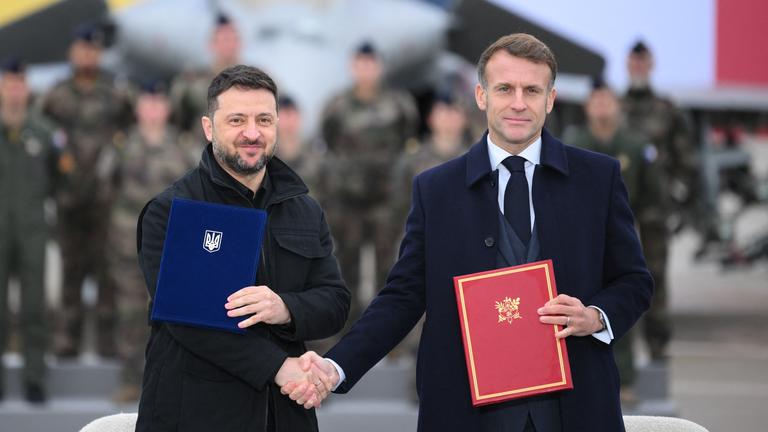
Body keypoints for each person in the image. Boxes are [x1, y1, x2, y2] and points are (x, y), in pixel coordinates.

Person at [282, 33, 653, 431]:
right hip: (465, 411)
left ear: (550, 99)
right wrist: (336, 366)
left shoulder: (597, 178)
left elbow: (634, 280)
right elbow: (403, 296)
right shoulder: (436, 189)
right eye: (504, 88)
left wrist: (595, 316)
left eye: (532, 90)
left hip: (575, 406)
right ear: (481, 95)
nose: (517, 103)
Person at [134, 65, 350, 432]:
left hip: (285, 416)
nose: (252, 133)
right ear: (208, 127)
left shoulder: (304, 208)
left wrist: (284, 308)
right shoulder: (171, 210)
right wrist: (279, 367)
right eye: (236, 120)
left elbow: (334, 303)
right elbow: (188, 321)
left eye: (264, 119)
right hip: (193, 415)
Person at [40, 22, 133, 358]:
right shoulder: (56, 94)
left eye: (93, 49)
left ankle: (107, 346)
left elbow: (132, 130)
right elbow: (42, 134)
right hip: (68, 199)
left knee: (106, 272)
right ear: (72, 52)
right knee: (71, 271)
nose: (87, 54)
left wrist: (117, 156)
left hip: (105, 199)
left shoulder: (116, 92)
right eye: (82, 48)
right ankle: (67, 344)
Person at [566, 79, 664, 400]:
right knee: (583, 304)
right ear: (587, 105)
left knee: (620, 299)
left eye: (608, 99)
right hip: (580, 235)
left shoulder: (634, 146)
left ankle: (625, 376)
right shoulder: (574, 142)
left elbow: (652, 195)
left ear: (617, 104)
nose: (602, 106)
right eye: (596, 100)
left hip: (622, 234)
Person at [106, 81, 195, 403]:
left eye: (160, 102)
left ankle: (173, 381)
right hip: (127, 241)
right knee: (130, 311)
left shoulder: (183, 148)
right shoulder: (122, 145)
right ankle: (131, 380)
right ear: (138, 108)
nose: (154, 109)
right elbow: (107, 186)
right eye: (148, 102)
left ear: (167, 109)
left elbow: (196, 192)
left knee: (172, 312)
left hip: (172, 244)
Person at [319, 41, 419, 326]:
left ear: (380, 67)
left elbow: (408, 141)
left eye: (371, 64)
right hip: (347, 202)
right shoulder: (337, 105)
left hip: (386, 202)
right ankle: (347, 330)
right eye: (361, 64)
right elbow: (328, 142)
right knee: (346, 268)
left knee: (387, 270)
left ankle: (386, 330)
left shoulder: (398, 103)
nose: (366, 70)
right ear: (353, 67)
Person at [622, 40, 692, 361]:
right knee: (616, 273)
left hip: (653, 208)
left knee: (656, 274)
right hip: (619, 204)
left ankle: (658, 345)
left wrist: (676, 195)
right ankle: (619, 350)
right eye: (634, 61)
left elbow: (684, 158)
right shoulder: (613, 105)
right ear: (627, 64)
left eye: (643, 61)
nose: (638, 66)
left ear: (650, 64)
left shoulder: (667, 109)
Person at [0, 58, 59, 404]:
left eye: (20, 84)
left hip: (33, 228)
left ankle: (35, 378)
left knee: (34, 305)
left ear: (27, 88)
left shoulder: (44, 132)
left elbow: (59, 177)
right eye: (9, 83)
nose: (14, 90)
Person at [170, 13, 241, 139]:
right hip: (203, 149)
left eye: (231, 39)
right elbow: (177, 113)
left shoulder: (254, 80)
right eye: (223, 40)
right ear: (212, 44)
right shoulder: (193, 81)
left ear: (239, 43)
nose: (228, 45)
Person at [275, 95, 323, 197]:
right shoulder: (268, 157)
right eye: (285, 115)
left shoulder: (316, 155)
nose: (290, 122)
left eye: (293, 115)